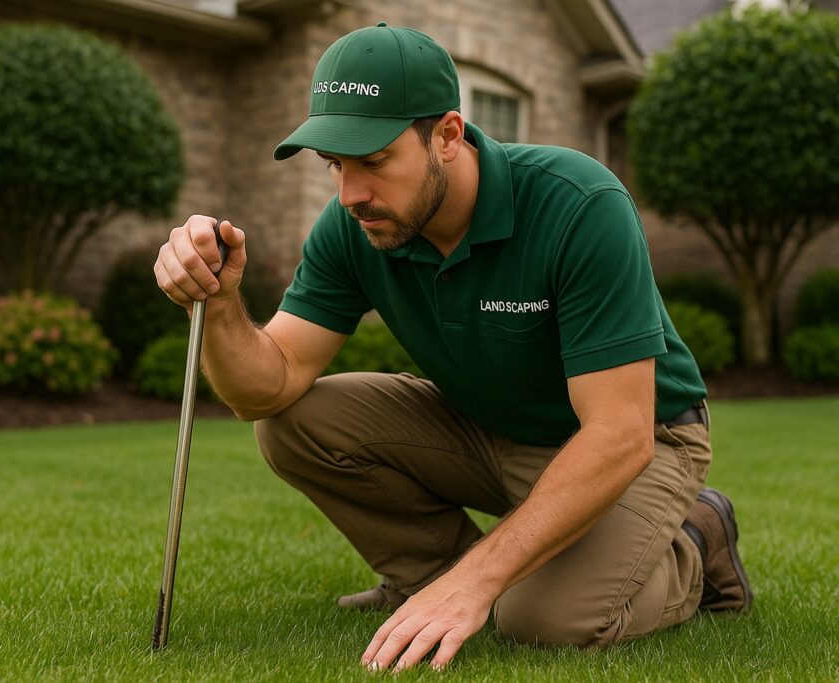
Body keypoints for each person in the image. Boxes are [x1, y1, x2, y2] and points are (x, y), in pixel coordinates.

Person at [153, 23, 752, 672]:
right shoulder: (356, 226)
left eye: (374, 161)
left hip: (641, 440)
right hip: (483, 427)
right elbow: (265, 387)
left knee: (539, 621)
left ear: (446, 135)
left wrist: (482, 580)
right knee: (291, 422)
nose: (351, 194)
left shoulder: (578, 203)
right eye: (335, 165)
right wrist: (218, 305)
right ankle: (429, 582)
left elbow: (619, 433)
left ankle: (696, 538)